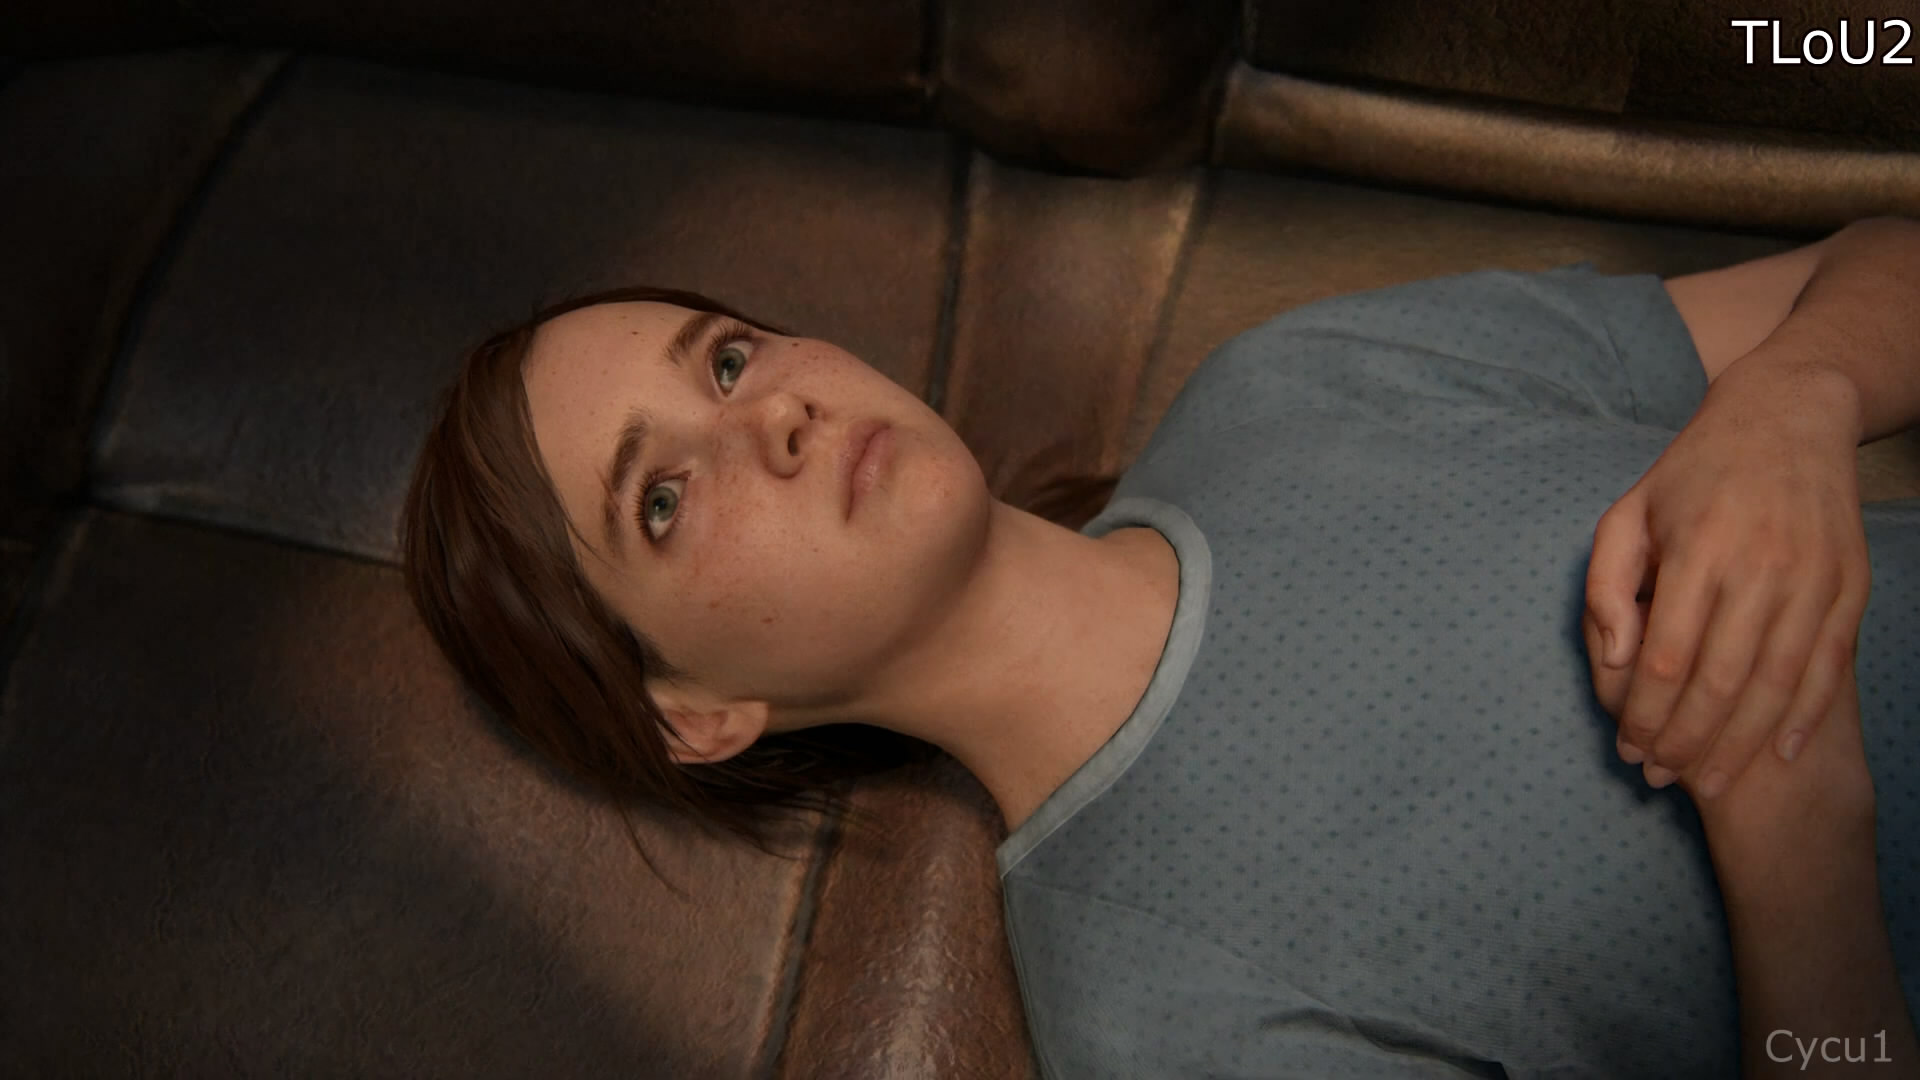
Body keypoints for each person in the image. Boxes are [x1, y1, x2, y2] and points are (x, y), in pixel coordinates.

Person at [400, 218, 1920, 1077]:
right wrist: (1798, 853)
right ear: (693, 712)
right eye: (664, 499)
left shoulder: (1290, 383)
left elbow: (1883, 262)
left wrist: (1793, 403)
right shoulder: (1164, 1020)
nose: (772, 416)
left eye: (727, 358)